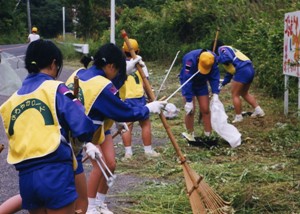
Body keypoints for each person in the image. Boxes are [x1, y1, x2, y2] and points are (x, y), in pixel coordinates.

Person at [0, 39, 100, 214]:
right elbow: (83, 126)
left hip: (26, 179)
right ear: (54, 63)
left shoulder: (10, 102)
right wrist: (87, 141)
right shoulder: (56, 89)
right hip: (55, 174)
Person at [65, 43, 166, 214]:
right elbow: (123, 111)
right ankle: (89, 207)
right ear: (111, 66)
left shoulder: (79, 73)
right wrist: (148, 108)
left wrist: (125, 72)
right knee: (98, 167)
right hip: (86, 132)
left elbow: (111, 92)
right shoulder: (101, 86)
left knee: (110, 163)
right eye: (119, 69)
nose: (119, 74)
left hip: (101, 126)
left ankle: (99, 202)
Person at [118, 38, 160, 160]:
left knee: (127, 126)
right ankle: (148, 150)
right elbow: (145, 82)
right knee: (145, 124)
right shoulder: (140, 63)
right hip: (139, 97)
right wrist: (151, 98)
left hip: (125, 99)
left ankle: (128, 153)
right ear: (138, 50)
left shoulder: (120, 64)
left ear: (122, 50)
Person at [214, 40, 265, 123]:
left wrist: (216, 59)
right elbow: (230, 72)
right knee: (244, 93)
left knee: (235, 94)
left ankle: (238, 117)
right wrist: (222, 84)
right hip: (249, 69)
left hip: (242, 70)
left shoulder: (222, 49)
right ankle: (258, 110)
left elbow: (227, 58)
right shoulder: (232, 50)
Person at [179, 49, 220, 141]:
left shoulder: (212, 59)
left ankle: (208, 135)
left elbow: (214, 77)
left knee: (205, 109)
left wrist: (215, 93)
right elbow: (187, 80)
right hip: (189, 83)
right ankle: (190, 134)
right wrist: (188, 100)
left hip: (201, 84)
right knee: (191, 110)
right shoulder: (189, 60)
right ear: (198, 59)